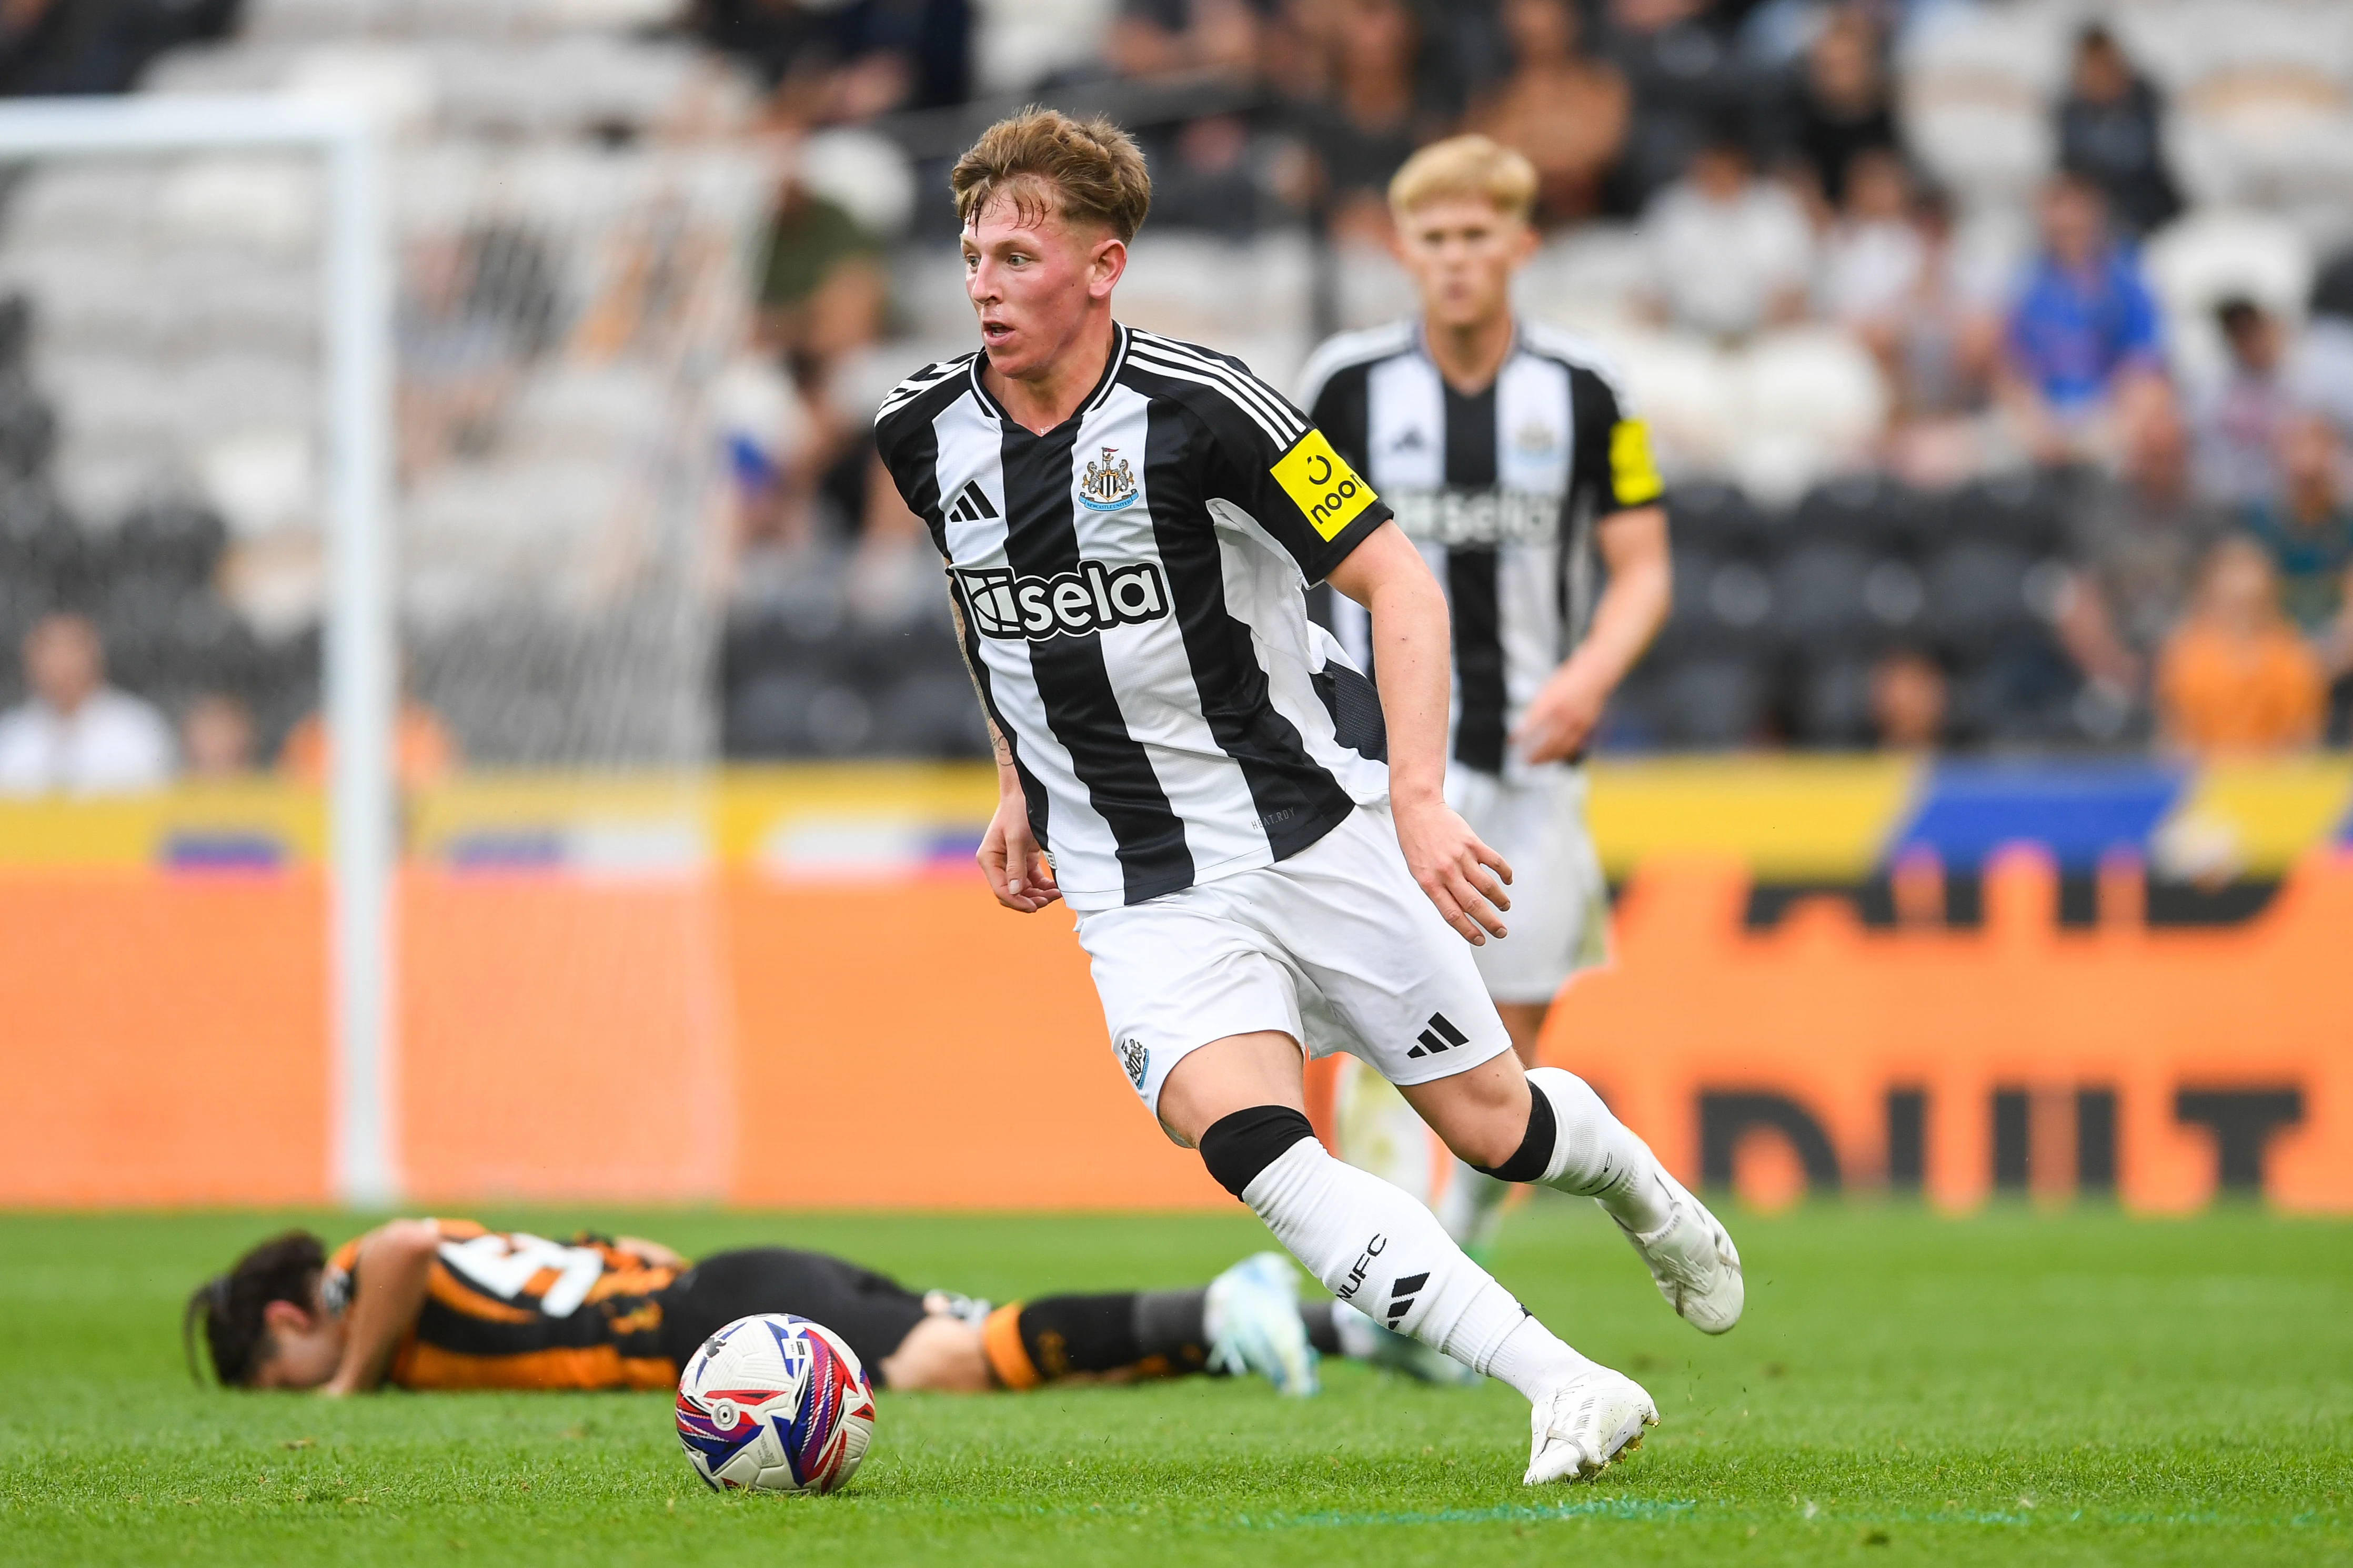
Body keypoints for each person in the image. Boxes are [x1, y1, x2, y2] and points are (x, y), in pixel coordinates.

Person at [873, 109, 1740, 1489]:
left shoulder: (1209, 409)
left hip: (1305, 832)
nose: (983, 281)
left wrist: (1415, 799)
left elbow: (1398, 578)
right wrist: (1015, 784)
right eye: (973, 252)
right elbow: (992, 616)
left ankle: (1633, 1179)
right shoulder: (919, 431)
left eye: (1018, 256)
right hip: (1135, 886)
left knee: (1494, 1124)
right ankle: (1559, 1379)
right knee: (1262, 1148)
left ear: (1103, 268)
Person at [1296, 135, 1672, 1259]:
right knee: (1384, 1010)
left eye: (1476, 236)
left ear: (1521, 244)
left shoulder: (1589, 390)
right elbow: (1287, 559)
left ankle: (1441, 1246)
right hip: (1384, 760)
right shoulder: (1345, 386)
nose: (1456, 259)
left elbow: (1643, 564)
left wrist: (1589, 672)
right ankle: (1390, 1266)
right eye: (1434, 238)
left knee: (1509, 1037)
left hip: (1530, 757)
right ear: (1402, 249)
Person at [185, 1219, 1466, 1395]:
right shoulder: (439, 1287)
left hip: (708, 1322)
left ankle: (1220, 1293)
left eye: (283, 1373)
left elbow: (397, 1241)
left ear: (294, 1321)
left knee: (940, 1367)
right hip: (728, 1283)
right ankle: (1341, 1326)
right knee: (1003, 1352)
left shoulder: (363, 1282)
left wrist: (351, 1379)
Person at [2055, 385, 2230, 710]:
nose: (2162, 466)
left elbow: (2219, 593)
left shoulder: (2207, 515)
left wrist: (2185, 661)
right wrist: (2113, 665)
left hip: (2190, 658)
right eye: (2153, 455)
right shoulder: (2102, 511)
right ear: (2136, 455)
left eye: (2171, 456)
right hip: (2116, 657)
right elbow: (2081, 596)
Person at [1998, 169, 2166, 465]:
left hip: (2107, 415)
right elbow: (2010, 370)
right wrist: (2039, 425)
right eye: (2058, 208)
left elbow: (2142, 367)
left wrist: (2106, 429)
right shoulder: (2025, 282)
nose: (2068, 219)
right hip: (2041, 418)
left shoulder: (2126, 280)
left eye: (2078, 208)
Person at [1637, 123, 1813, 340]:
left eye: (1726, 169)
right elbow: (1649, 289)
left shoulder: (1775, 209)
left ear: (1743, 168)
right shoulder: (1672, 209)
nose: (1719, 178)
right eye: (1711, 169)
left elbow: (1796, 289)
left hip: (1764, 339)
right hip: (1684, 338)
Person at [1465, 0, 1630, 228]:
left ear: (1571, 17)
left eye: (1546, 8)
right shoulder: (1492, 97)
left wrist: (1531, 156)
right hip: (1515, 229)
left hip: (1592, 228)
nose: (1536, 22)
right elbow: (1484, 163)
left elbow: (1598, 157)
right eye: (1523, 9)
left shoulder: (1601, 85)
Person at [2156, 536, 2323, 754]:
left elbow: (2303, 739)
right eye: (2233, 605)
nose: (2241, 619)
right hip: (2204, 779)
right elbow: (2175, 738)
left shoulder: (2292, 655)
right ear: (2209, 598)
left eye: (2251, 605)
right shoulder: (2185, 655)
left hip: (2275, 780)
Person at [0, 610, 173, 795]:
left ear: (94, 654)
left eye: (70, 649)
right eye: (48, 649)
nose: (60, 663)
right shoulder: (10, 738)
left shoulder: (137, 731)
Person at [2054, 23, 2180, 241]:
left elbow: (2145, 160)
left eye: (2105, 65)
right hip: (2097, 219)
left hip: (2153, 210)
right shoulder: (2070, 111)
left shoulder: (2145, 100)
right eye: (2092, 67)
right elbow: (2072, 172)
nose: (2099, 75)